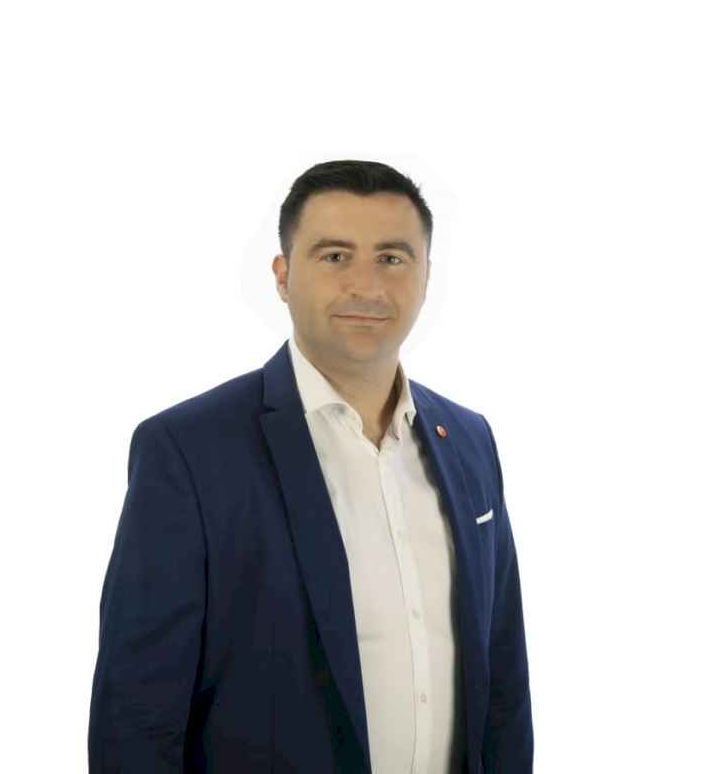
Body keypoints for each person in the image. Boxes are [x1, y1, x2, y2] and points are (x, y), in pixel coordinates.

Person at [88, 160, 533, 773]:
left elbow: (503, 673)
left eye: (392, 258)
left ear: (426, 277)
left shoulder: (469, 440)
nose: (366, 286)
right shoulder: (189, 450)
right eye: (334, 256)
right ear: (282, 276)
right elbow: (136, 712)